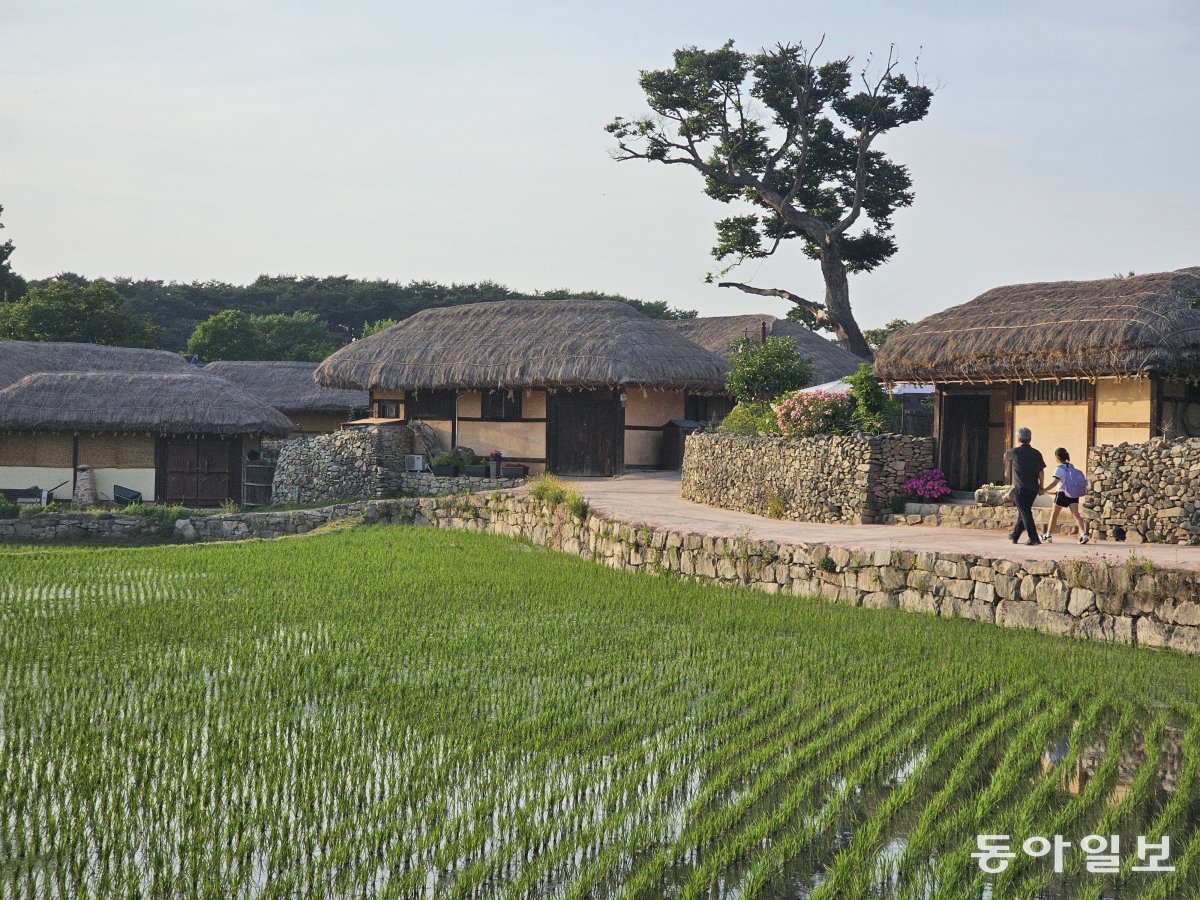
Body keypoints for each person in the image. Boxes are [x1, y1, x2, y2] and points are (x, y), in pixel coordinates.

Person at [1041, 448, 1091, 544]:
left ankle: (1048, 535)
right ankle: (1084, 534)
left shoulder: (1059, 469)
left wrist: (1044, 490)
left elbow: (1055, 483)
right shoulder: (1072, 467)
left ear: (1057, 457)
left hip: (1062, 493)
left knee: (1054, 515)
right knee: (1076, 515)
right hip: (1073, 494)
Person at [1005, 427, 1045, 546]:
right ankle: (1014, 536)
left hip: (1020, 488)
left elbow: (1006, 457)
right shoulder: (1037, 453)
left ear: (1018, 439)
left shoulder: (1014, 452)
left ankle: (1034, 538)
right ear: (1030, 438)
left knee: (1025, 512)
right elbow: (1041, 472)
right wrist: (1041, 487)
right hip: (1033, 488)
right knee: (1023, 512)